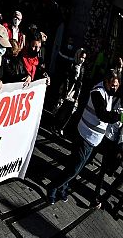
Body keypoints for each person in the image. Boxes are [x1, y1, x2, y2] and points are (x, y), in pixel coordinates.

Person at [47, 70, 121, 205]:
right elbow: (103, 114)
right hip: (85, 136)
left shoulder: (109, 92)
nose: (115, 88)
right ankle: (53, 186)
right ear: (106, 82)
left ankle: (63, 187)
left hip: (94, 139)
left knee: (77, 167)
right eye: (112, 85)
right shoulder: (98, 92)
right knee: (74, 168)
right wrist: (118, 116)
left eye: (117, 85)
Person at [53, 48, 87, 136]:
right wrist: (65, 90)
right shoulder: (72, 64)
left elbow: (80, 81)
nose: (82, 59)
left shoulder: (82, 68)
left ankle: (61, 127)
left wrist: (77, 93)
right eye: (81, 57)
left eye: (84, 58)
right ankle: (54, 124)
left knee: (70, 110)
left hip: (74, 91)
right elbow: (66, 77)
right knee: (61, 107)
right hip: (67, 89)